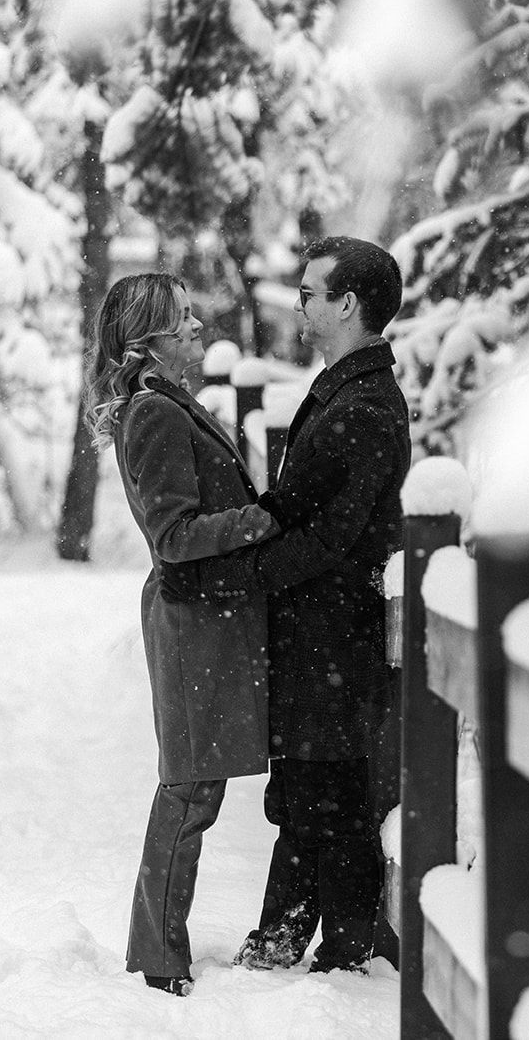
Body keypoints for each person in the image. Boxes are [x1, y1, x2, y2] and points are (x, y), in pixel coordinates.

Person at [163, 236, 412, 974]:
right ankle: (295, 941)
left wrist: (238, 574)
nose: (299, 300)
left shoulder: (367, 403)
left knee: (326, 788)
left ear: (347, 303)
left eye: (310, 291)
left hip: (334, 630)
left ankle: (342, 947)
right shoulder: (342, 385)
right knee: (309, 787)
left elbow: (331, 533)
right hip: (313, 628)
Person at [86, 272, 279, 997]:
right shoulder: (155, 414)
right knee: (190, 788)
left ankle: (158, 944)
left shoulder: (166, 402)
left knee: (198, 785)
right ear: (152, 339)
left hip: (207, 615)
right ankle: (158, 955)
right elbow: (173, 534)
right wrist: (267, 517)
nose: (200, 327)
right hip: (193, 618)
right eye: (186, 318)